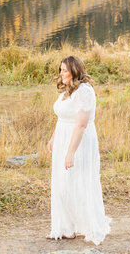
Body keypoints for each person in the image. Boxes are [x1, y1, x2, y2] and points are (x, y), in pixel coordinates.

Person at [47, 55, 111, 244]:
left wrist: (70, 151)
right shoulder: (67, 90)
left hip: (79, 142)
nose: (61, 73)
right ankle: (66, 228)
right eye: (60, 70)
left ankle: (86, 225)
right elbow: (62, 117)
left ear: (75, 71)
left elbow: (81, 125)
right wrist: (53, 138)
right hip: (63, 137)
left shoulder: (84, 91)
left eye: (65, 70)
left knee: (78, 182)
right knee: (61, 183)